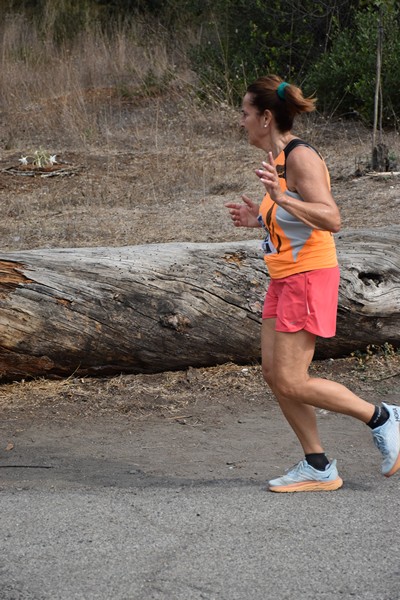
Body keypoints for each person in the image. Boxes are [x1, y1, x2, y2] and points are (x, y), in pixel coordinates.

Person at [225, 74, 400, 492]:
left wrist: (281, 199)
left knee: (292, 379)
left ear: (266, 117)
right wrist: (261, 216)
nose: (241, 120)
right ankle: (318, 465)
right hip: (283, 277)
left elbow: (331, 218)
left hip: (308, 276)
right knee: (275, 373)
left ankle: (383, 417)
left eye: (246, 113)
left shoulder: (300, 157)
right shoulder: (278, 161)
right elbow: (293, 218)